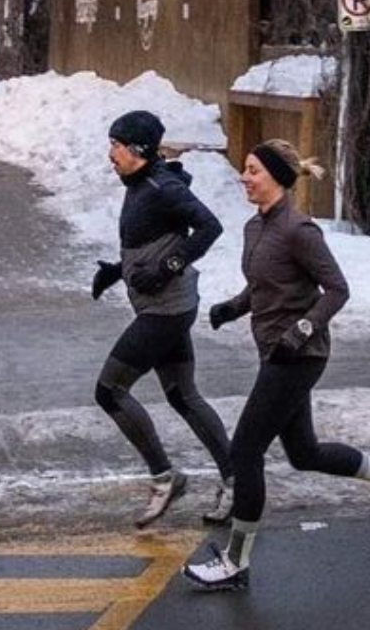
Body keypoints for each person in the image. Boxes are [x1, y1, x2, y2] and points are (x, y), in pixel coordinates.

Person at [181, 139, 370, 593]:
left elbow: (336, 289)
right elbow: (263, 286)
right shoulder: (257, 229)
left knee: (245, 450)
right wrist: (231, 309)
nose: (244, 177)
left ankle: (235, 561)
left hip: (299, 357)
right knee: (304, 453)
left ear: (276, 177)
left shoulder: (299, 229)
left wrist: (303, 331)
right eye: (245, 170)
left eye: (252, 170)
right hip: (274, 352)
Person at [93, 109, 236, 529]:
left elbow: (210, 227)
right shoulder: (139, 182)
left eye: (116, 146)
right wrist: (117, 271)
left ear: (137, 149)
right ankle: (235, 479)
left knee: (110, 390)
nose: (110, 154)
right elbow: (151, 240)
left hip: (165, 309)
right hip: (163, 304)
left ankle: (164, 477)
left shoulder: (161, 186)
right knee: (181, 395)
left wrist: (169, 265)